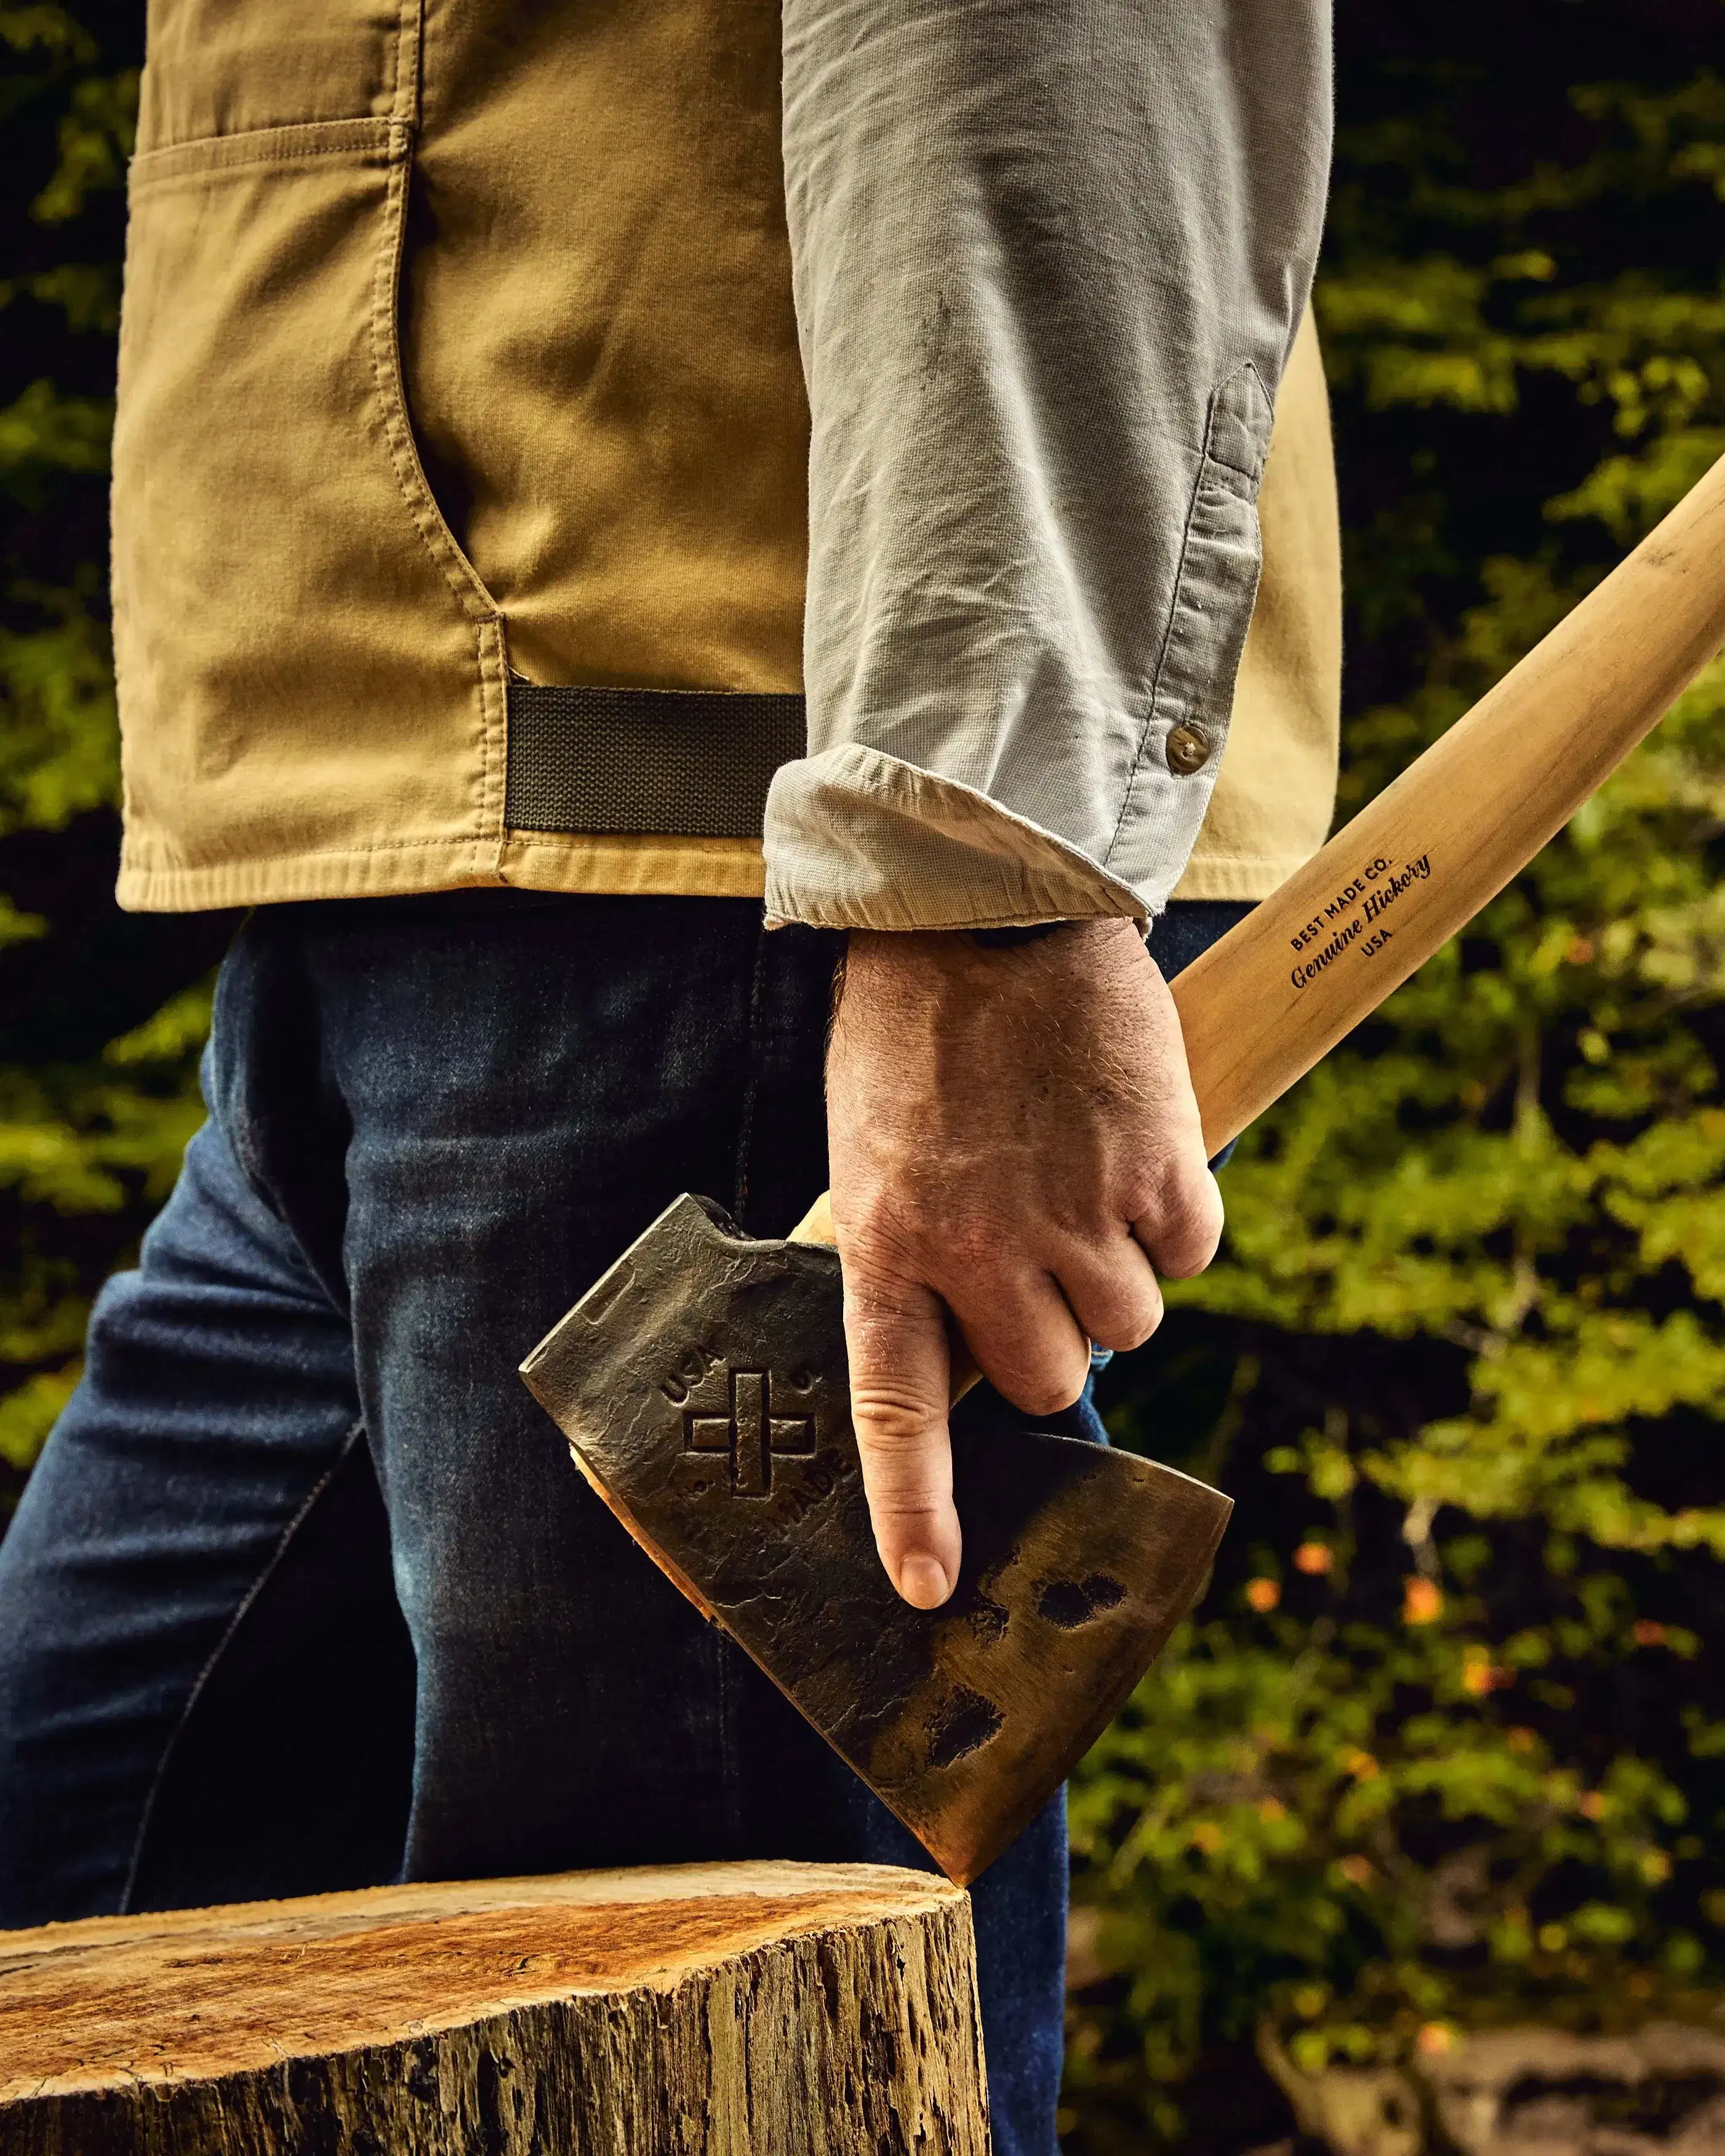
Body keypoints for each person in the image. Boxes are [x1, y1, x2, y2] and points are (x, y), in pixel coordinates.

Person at [0, 1, 1337, 2146]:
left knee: (704, 2073)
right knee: (86, 1916)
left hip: (708, 852)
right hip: (386, 870)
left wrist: (973, 851)